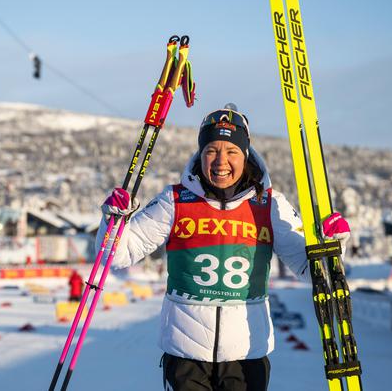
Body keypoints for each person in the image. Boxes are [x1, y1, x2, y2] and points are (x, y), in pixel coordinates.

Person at [96, 104, 350, 391]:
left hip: (246, 355)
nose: (220, 161)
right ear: (200, 154)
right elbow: (115, 256)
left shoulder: (270, 203)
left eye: (231, 152)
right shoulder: (175, 200)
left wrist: (332, 245)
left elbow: (310, 271)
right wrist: (113, 223)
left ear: (246, 155)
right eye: (211, 151)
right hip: (185, 355)